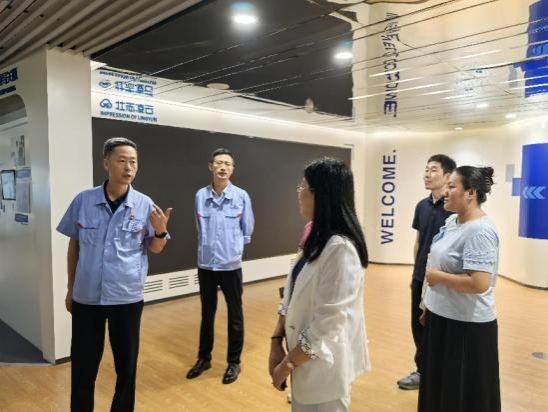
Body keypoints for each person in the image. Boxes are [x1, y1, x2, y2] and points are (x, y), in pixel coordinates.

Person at [57, 137, 172, 412]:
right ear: (106, 163)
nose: (128, 167)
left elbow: (155, 248)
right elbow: (74, 246)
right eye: (122, 161)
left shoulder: (144, 204)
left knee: (126, 366)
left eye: (133, 162)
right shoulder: (83, 201)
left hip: (126, 297)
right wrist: (71, 288)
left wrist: (160, 231)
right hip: (87, 297)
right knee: (83, 366)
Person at [269, 158, 370, 412]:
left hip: (325, 367)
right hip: (302, 359)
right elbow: (290, 296)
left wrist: (287, 365)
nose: (299, 192)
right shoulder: (316, 237)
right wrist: (276, 341)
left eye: (303, 186)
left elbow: (328, 324)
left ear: (320, 194)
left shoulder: (340, 250)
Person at [418, 166, 500, 412]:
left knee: (460, 396)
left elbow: (479, 283)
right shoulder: (452, 221)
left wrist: (438, 277)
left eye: (452, 186)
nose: (446, 191)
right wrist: (428, 305)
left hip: (466, 327)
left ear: (471, 193)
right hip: (442, 317)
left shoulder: (480, 231)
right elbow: (436, 260)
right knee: (439, 389)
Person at [186, 148, 254, 384]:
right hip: (206, 264)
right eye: (218, 163)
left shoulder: (241, 196)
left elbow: (247, 229)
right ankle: (203, 358)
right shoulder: (200, 195)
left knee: (235, 314)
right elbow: (199, 227)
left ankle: (234, 362)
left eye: (227, 164)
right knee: (207, 313)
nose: (223, 167)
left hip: (230, 265)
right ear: (211, 166)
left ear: (232, 169)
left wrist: (233, 249)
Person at [397, 154, 456, 390]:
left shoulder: (454, 208)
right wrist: (415, 273)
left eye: (433, 170)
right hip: (421, 277)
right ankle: (423, 371)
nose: (427, 174)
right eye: (426, 170)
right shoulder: (421, 206)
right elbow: (419, 242)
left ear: (447, 175)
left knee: (439, 327)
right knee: (418, 325)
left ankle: (442, 372)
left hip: (443, 280)